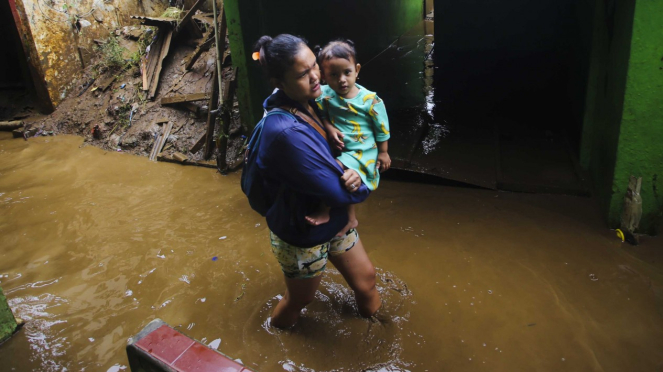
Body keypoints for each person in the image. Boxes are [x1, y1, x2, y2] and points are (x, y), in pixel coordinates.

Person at [251, 34, 382, 329]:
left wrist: (328, 124)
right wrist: (366, 170)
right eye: (302, 74)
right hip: (303, 230)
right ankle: (276, 334)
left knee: (366, 281)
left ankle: (381, 327)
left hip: (332, 216)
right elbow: (343, 189)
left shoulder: (308, 100)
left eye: (314, 66)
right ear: (279, 83)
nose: (315, 78)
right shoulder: (285, 133)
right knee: (300, 300)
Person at [304, 39, 391, 229]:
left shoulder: (370, 100)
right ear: (324, 76)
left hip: (362, 150)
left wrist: (383, 152)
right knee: (347, 180)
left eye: (347, 72)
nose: (342, 79)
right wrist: (328, 126)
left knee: (332, 170)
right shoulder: (324, 94)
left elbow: (382, 129)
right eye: (334, 74)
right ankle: (351, 219)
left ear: (357, 70)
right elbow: (321, 113)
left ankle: (324, 210)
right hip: (342, 147)